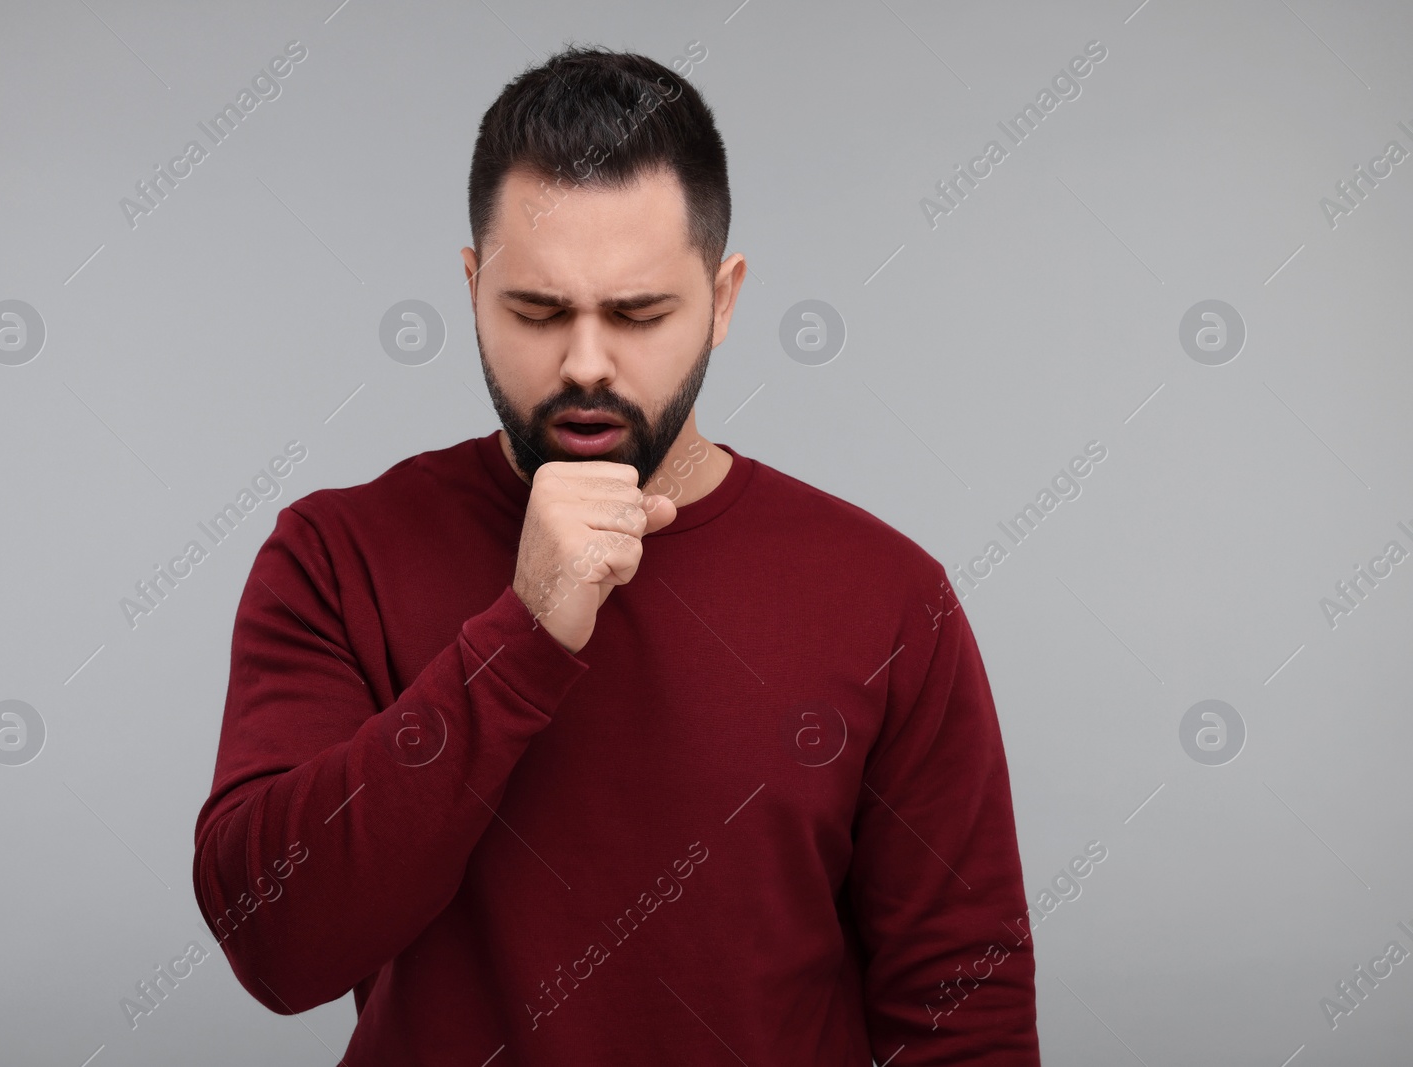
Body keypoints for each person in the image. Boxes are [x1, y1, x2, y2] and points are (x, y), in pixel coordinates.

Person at [192, 44, 1039, 1066]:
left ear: (722, 300)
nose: (585, 362)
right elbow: (274, 942)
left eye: (638, 314)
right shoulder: (336, 554)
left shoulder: (887, 595)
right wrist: (527, 629)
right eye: (537, 311)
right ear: (470, 288)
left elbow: (960, 1009)